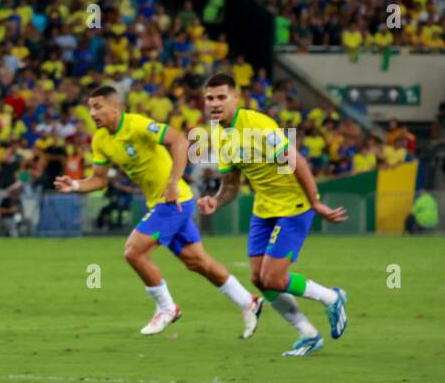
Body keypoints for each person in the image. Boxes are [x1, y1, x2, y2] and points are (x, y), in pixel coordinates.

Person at [56, 86, 263, 336]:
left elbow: (179, 140)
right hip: (160, 202)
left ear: (116, 107)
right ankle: (248, 302)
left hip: (174, 201)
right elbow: (100, 179)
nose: (92, 113)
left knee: (134, 252)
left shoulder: (137, 125)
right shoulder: (100, 139)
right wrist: (76, 185)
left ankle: (167, 308)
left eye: (98, 106)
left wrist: (173, 182)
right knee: (197, 262)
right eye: (90, 107)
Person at [196, 72, 348, 357]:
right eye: (209, 98)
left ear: (235, 98)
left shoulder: (258, 125)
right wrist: (216, 201)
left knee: (275, 278)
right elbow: (231, 184)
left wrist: (315, 202)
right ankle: (308, 334)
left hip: (293, 205)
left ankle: (331, 297)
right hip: (264, 208)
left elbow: (298, 162)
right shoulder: (217, 133)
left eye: (221, 97)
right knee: (258, 278)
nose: (214, 103)